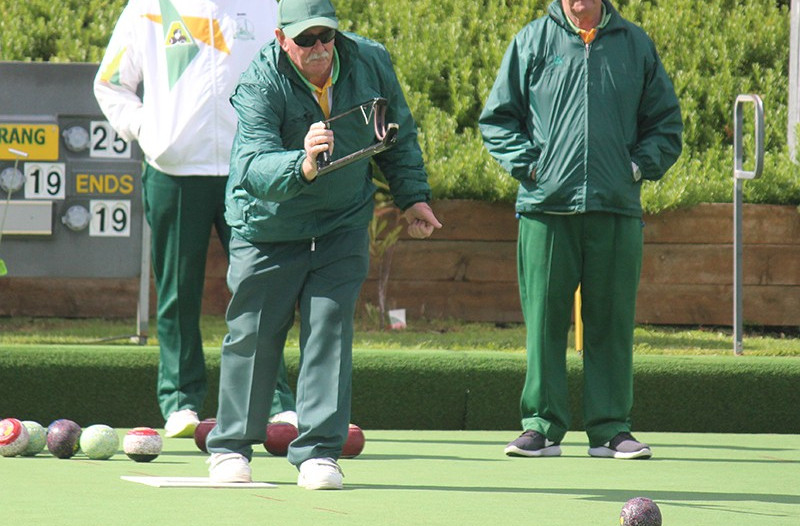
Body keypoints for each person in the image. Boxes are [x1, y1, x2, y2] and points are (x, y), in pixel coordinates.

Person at [204, 0, 442, 488]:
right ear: (281, 38)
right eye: (306, 39)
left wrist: (412, 197)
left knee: (330, 329)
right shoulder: (260, 83)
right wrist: (303, 165)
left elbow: (397, 132)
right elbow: (250, 165)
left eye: (326, 37)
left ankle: (318, 453)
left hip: (342, 220)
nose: (319, 48)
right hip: (267, 226)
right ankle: (230, 448)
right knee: (254, 334)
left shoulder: (370, 61)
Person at [479, 0, 682, 460]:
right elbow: (497, 120)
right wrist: (532, 167)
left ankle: (611, 429)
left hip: (615, 210)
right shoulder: (531, 41)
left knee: (611, 323)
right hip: (545, 210)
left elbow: (666, 126)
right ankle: (541, 427)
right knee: (544, 323)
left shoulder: (636, 45)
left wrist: (635, 168)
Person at [94, 0, 298, 438]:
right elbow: (110, 84)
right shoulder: (148, 7)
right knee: (177, 293)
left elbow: (291, 76)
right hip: (175, 169)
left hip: (250, 168)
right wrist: (150, 130)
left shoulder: (265, 6)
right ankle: (181, 403)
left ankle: (277, 401)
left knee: (260, 288)